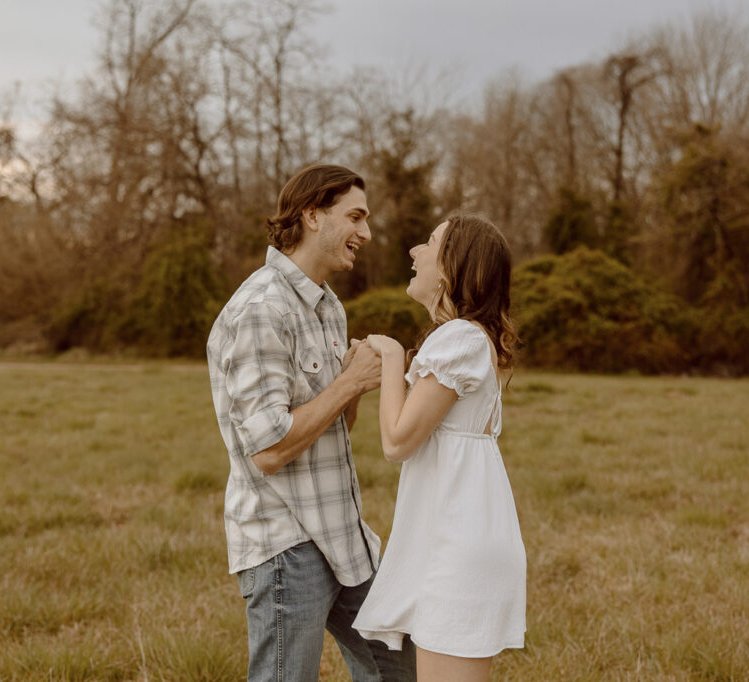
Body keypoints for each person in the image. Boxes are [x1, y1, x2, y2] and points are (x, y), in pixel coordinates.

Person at [206, 164, 416, 681]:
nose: (366, 233)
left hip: (345, 534)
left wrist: (354, 382)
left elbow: (336, 428)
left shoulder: (329, 307)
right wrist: (348, 383)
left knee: (401, 669)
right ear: (313, 216)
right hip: (286, 545)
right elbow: (269, 452)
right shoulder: (262, 308)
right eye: (356, 217)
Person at [352, 214, 527, 682]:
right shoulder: (468, 339)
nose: (414, 252)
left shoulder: (460, 338)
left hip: (458, 547)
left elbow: (396, 440)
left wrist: (392, 357)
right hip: (458, 540)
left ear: (451, 267)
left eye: (429, 242)